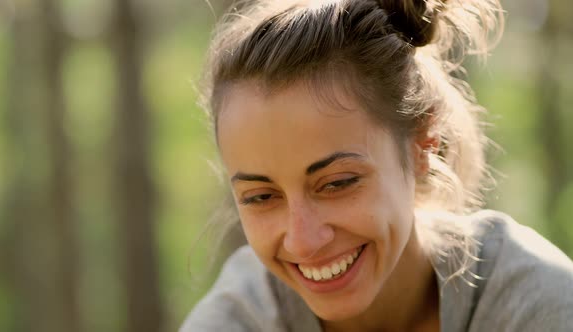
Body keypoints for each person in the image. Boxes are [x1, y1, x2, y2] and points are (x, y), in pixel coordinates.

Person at [181, 0, 573, 331]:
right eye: (262, 196)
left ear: (423, 145)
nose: (303, 240)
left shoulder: (537, 305)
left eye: (337, 183)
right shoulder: (235, 320)